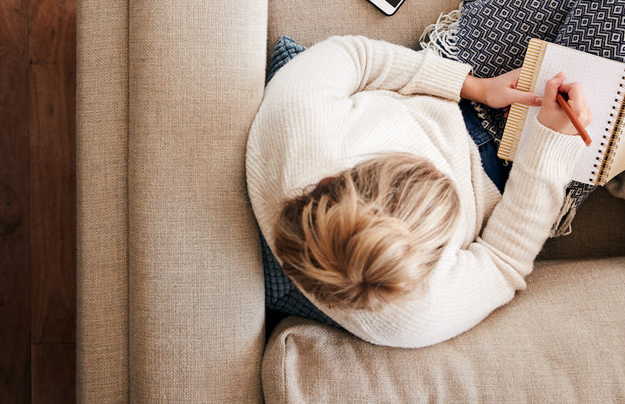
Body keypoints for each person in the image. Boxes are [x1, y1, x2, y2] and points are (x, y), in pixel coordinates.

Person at [246, 35, 592, 347]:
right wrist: (551, 141)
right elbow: (503, 262)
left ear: (339, 176)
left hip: (454, 86)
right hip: (513, 175)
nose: (440, 168)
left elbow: (357, 56)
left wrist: (473, 87)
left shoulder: (297, 123)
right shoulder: (416, 316)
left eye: (412, 164)